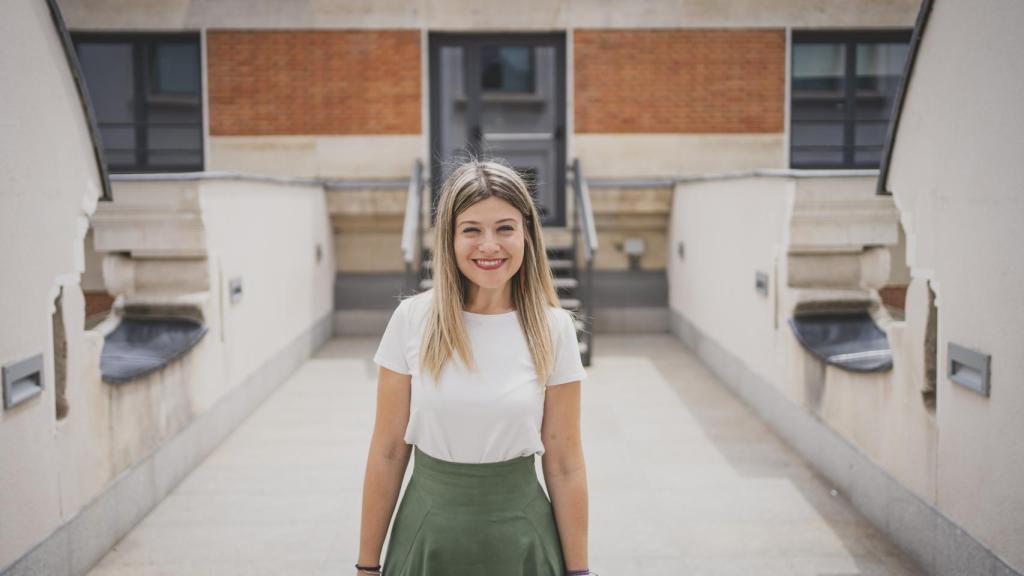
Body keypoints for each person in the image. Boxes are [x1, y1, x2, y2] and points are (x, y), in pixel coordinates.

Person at [354, 159, 595, 576]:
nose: (489, 245)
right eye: (471, 230)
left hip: (523, 542)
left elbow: (565, 463)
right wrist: (366, 566)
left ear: (526, 235)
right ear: (449, 238)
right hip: (427, 537)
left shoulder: (554, 329)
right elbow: (389, 451)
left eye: (505, 228)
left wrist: (580, 572)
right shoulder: (413, 320)